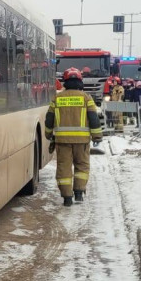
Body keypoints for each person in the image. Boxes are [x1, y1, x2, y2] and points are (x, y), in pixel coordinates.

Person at [45, 68, 102, 207]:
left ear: (65, 82)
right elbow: (94, 119)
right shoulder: (86, 98)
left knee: (64, 168)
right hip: (82, 142)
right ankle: (78, 193)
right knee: (81, 166)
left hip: (62, 141)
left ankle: (67, 198)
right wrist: (97, 137)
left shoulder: (57, 98)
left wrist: (48, 134)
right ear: (80, 81)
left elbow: (49, 119)